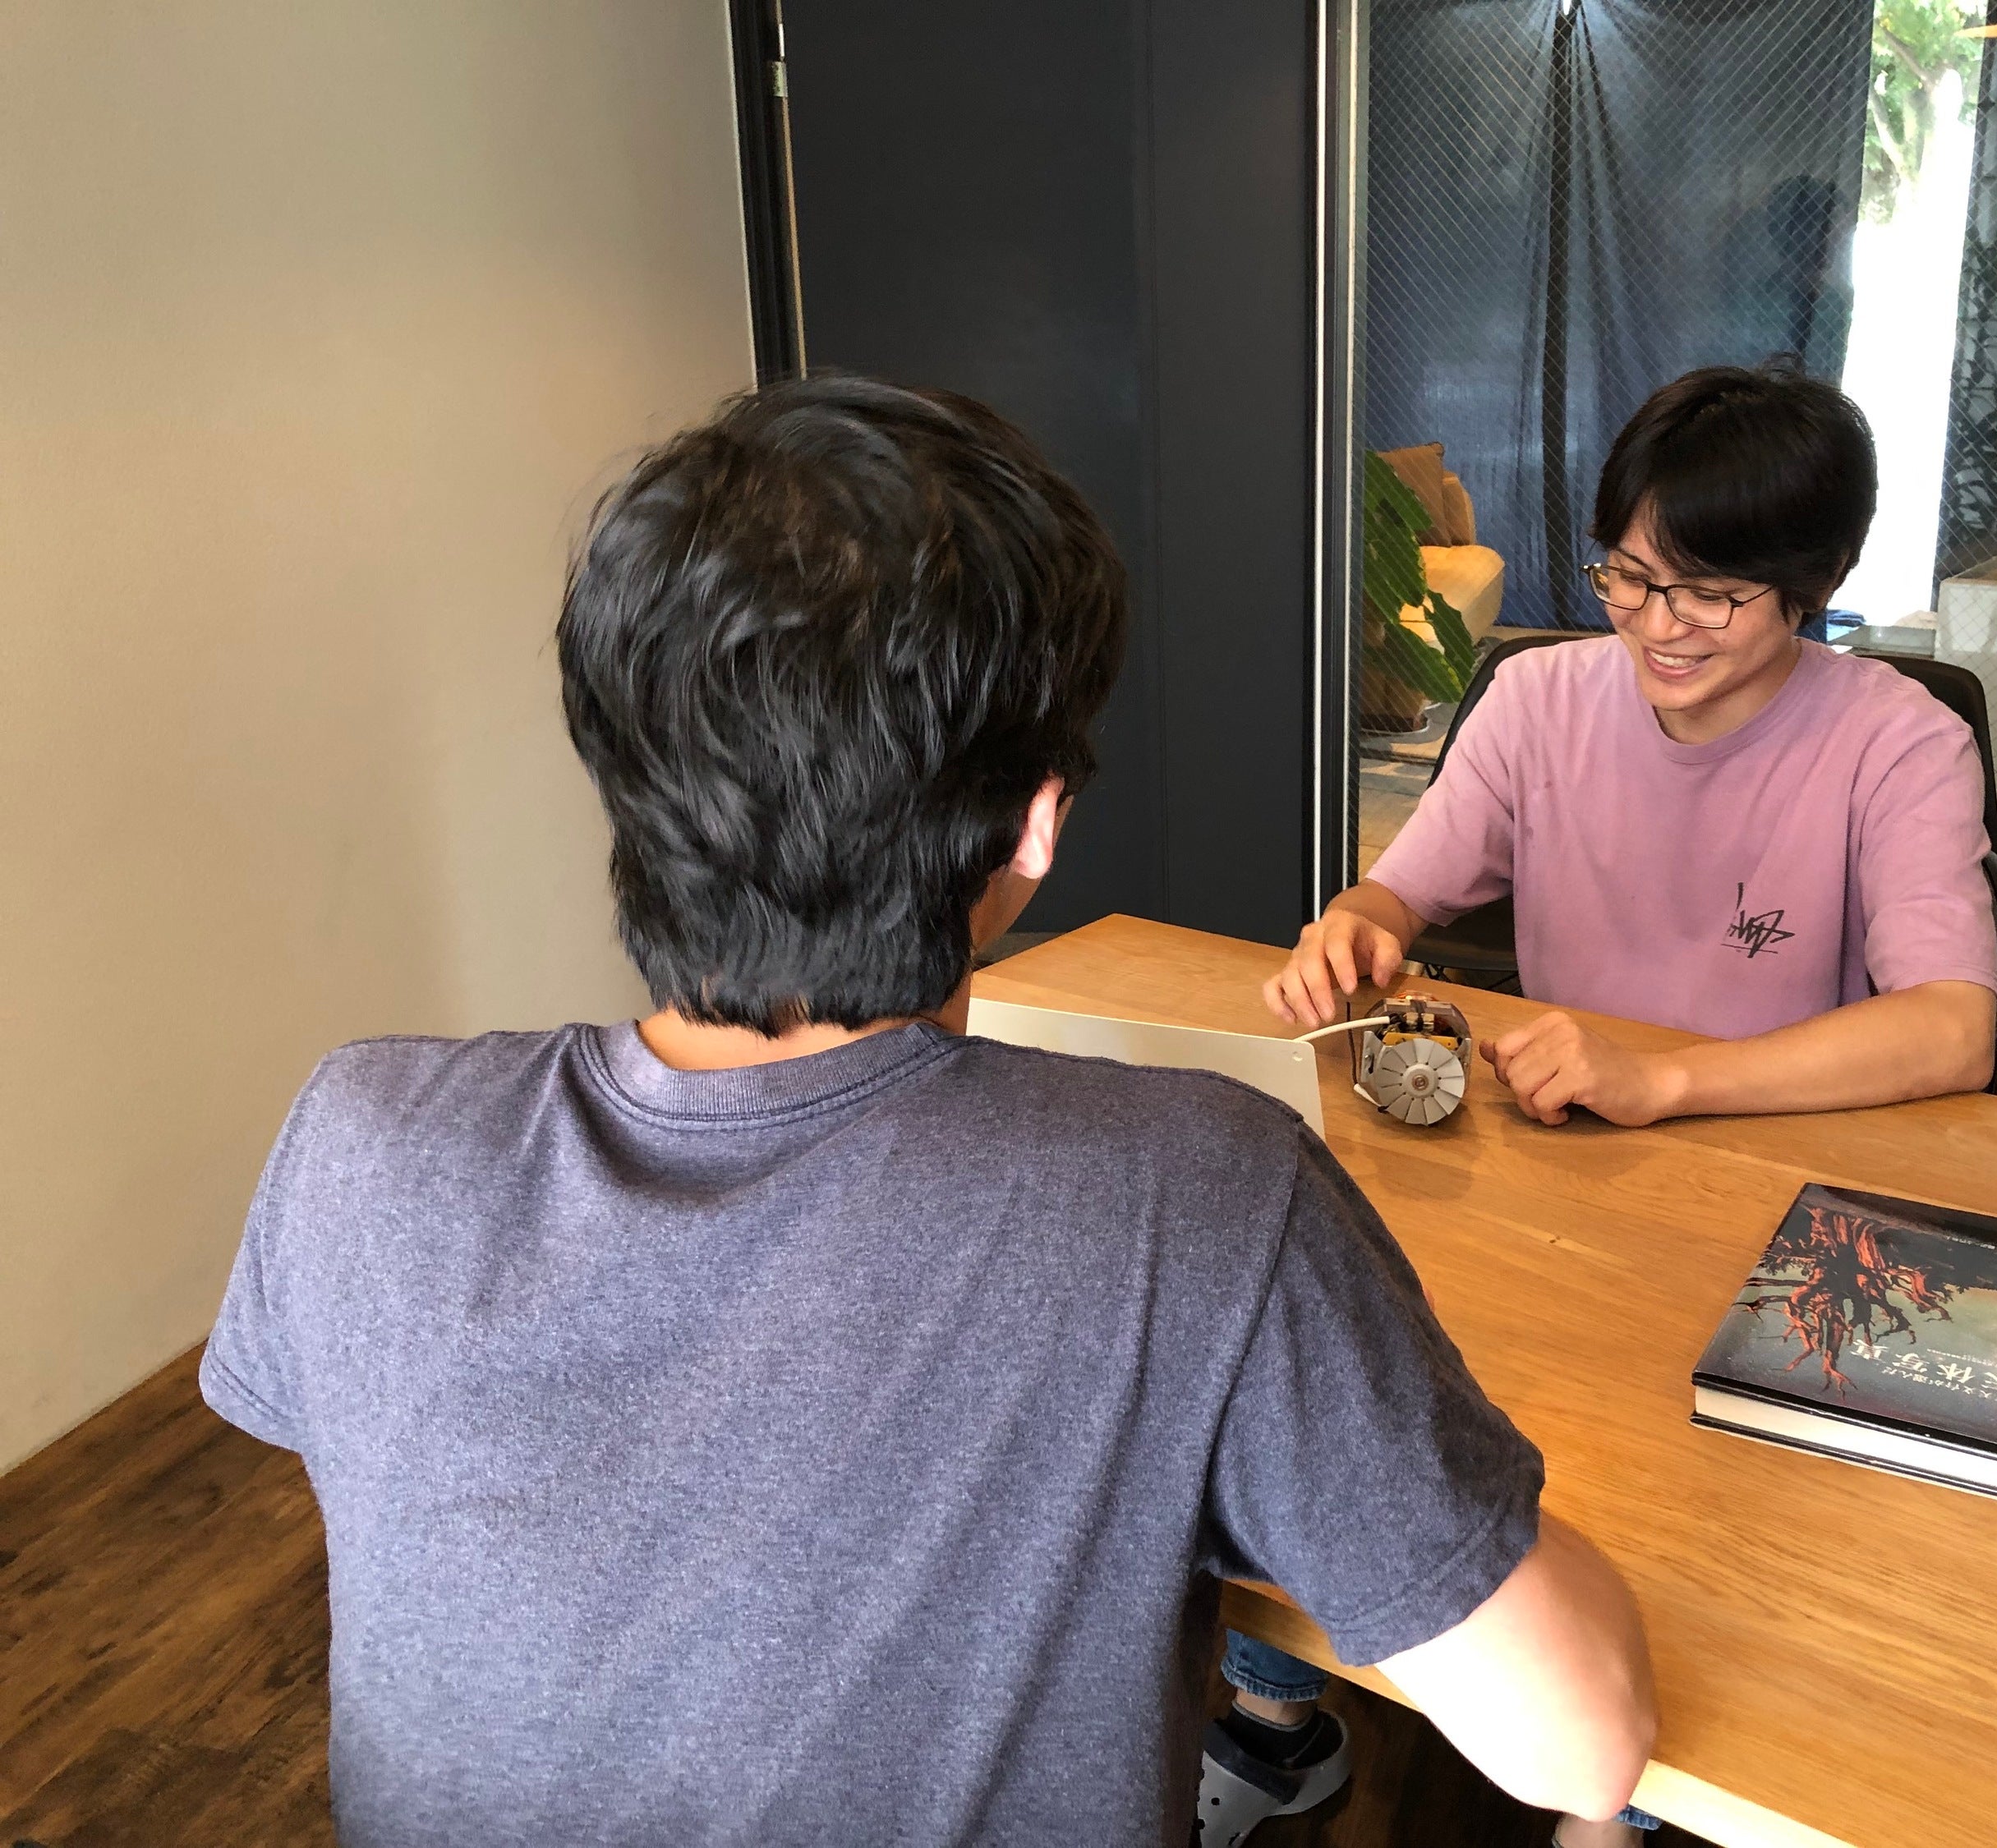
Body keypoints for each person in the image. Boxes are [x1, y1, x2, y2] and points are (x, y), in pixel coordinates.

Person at [197, 375, 1656, 1848]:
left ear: (623, 765)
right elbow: (1584, 1741)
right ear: (1036, 822)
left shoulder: (358, 1137)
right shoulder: (1199, 1195)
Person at [1254, 363, 1997, 1846]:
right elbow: (1408, 886)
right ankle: (1282, 1713)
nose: (1660, 625)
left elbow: (1954, 1026)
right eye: (1632, 576)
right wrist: (1355, 924)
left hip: (1772, 1219)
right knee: (1351, 1391)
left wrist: (1664, 1080)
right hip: (1552, 1196)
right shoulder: (1538, 698)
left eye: (1712, 593)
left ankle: (1618, 1797)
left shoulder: (1900, 740)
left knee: (1696, 1524)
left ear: (1814, 583)